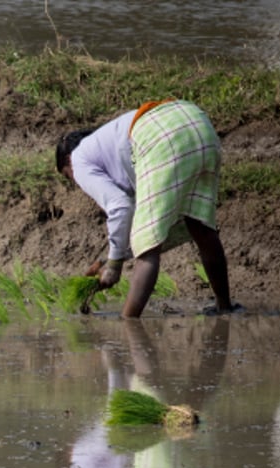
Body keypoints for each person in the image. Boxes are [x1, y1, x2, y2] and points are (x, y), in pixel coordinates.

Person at [55, 99, 235, 318]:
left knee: (147, 249)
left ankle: (129, 322)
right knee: (200, 226)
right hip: (197, 123)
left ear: (67, 161)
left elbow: (120, 209)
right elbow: (156, 227)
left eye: (69, 177)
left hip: (162, 138)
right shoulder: (113, 142)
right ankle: (225, 308)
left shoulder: (79, 160)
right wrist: (107, 260)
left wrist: (114, 266)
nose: (78, 183)